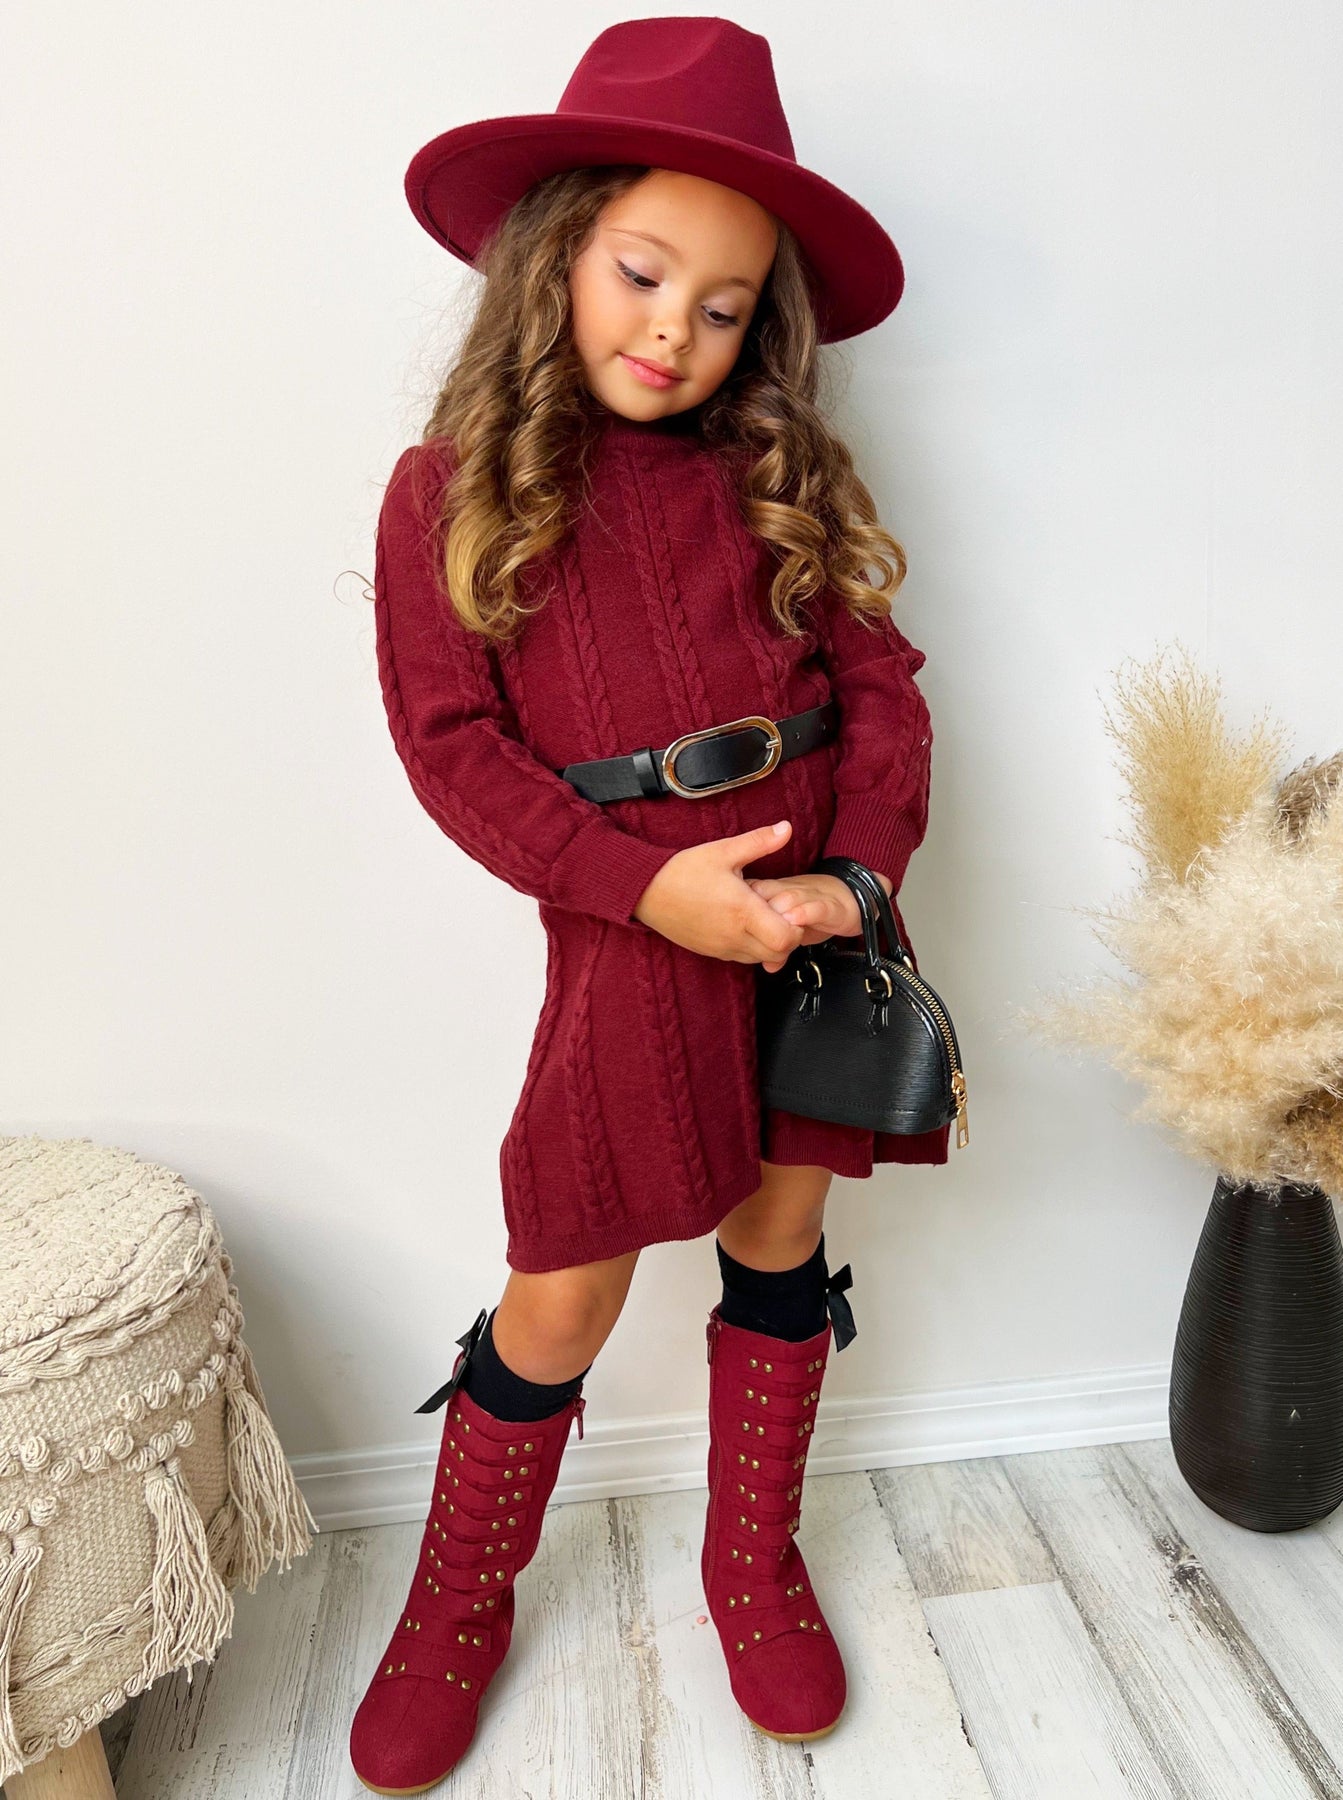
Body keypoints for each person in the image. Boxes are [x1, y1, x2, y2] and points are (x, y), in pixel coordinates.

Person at [349, 17, 947, 1793]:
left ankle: (750, 1562)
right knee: (560, 1292)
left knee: (777, 1240)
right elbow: (453, 751)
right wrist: (646, 889)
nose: (676, 328)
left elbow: (886, 690)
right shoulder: (449, 495)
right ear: (557, 252)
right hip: (634, 944)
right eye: (642, 272)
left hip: (816, 937)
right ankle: (454, 1600)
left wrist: (858, 876)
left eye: (725, 305)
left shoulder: (785, 480)